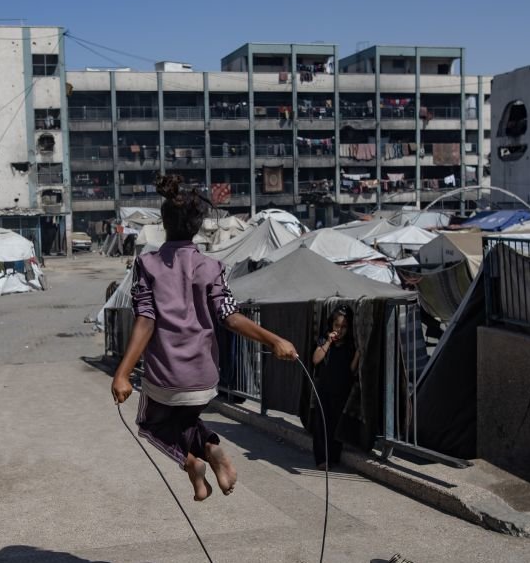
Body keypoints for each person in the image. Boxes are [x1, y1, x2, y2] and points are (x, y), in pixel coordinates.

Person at [112, 174, 299, 502]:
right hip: (204, 377)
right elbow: (230, 316)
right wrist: (275, 340)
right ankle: (212, 453)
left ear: (164, 224)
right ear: (197, 227)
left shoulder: (147, 264)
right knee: (185, 420)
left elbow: (146, 320)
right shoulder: (212, 266)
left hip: (167, 376)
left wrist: (122, 373)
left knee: (150, 424)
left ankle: (194, 462)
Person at [309, 306, 360, 470]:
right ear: (331, 325)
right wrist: (328, 342)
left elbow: (351, 370)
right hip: (324, 388)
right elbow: (316, 359)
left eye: (344, 327)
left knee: (336, 423)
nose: (340, 330)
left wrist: (358, 354)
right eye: (337, 325)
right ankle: (321, 459)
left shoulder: (350, 345)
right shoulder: (324, 341)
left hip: (341, 389)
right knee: (321, 423)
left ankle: (333, 456)